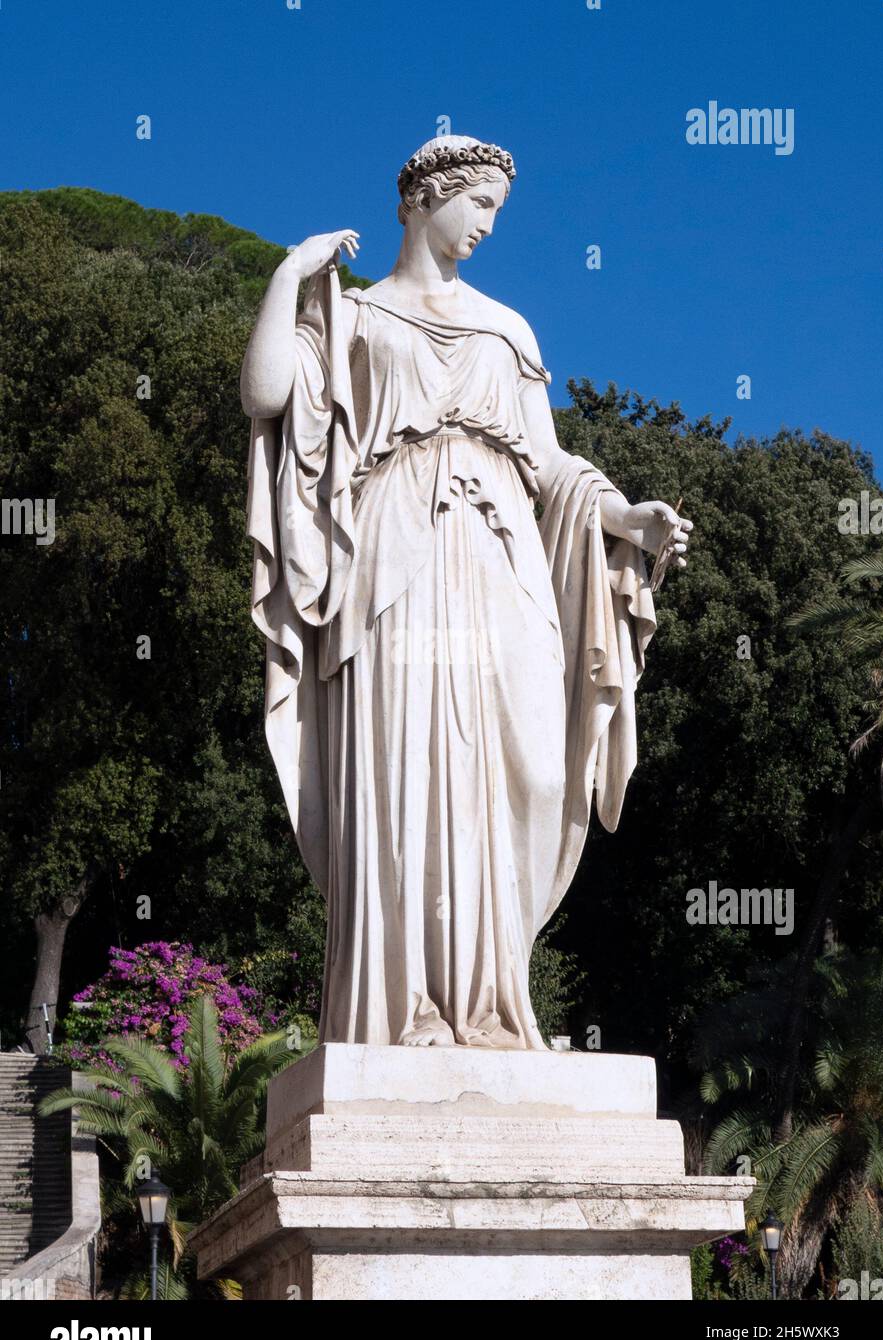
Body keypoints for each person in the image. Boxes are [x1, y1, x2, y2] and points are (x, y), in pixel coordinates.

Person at [241, 135, 692, 1049]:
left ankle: (490, 1003)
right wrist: (290, 276)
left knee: (519, 765)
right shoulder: (358, 320)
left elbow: (551, 464)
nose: (487, 224)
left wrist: (626, 518)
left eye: (497, 209)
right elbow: (267, 395)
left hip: (502, 561)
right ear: (424, 198)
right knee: (405, 768)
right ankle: (404, 1010)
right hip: (394, 562)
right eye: (478, 203)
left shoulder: (508, 329)